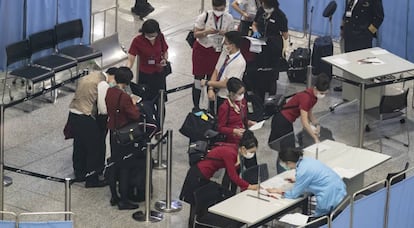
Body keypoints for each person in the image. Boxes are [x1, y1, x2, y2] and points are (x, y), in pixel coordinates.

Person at [180, 130, 259, 227]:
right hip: (198, 175)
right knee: (195, 203)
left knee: (201, 205)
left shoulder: (235, 149)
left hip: (203, 175)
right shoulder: (231, 154)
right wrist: (249, 186)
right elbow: (233, 176)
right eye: (251, 152)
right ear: (243, 148)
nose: (252, 154)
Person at [268, 73, 330, 173]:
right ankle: (282, 175)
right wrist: (315, 138)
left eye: (324, 93)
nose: (322, 95)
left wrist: (317, 124)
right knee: (286, 152)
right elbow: (304, 122)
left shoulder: (313, 96)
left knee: (288, 150)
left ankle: (286, 172)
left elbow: (309, 114)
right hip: (282, 121)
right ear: (315, 88)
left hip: (287, 121)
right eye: (321, 92)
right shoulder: (306, 98)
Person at [266, 147, 347, 218]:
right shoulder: (307, 160)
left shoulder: (302, 171)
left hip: (329, 196)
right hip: (338, 188)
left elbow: (294, 194)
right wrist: (298, 180)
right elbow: (313, 175)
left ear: (288, 162)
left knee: (318, 221)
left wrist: (279, 191)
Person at [105, 67, 141, 210]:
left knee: (114, 164)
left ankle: (114, 196)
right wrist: (134, 105)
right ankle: (124, 200)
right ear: (127, 81)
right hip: (124, 134)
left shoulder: (109, 91)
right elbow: (134, 115)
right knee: (125, 167)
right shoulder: (124, 96)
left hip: (112, 132)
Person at [68, 68, 108, 188]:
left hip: (73, 113)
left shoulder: (87, 77)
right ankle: (92, 179)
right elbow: (103, 108)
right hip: (86, 116)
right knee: (93, 148)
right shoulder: (103, 83)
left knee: (79, 144)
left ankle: (79, 173)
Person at [191, 0, 234, 110]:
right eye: (216, 9)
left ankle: (211, 108)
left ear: (225, 6)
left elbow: (232, 37)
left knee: (213, 80)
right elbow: (196, 33)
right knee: (198, 80)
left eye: (221, 9)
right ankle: (196, 107)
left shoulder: (229, 18)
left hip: (217, 52)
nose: (218, 12)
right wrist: (206, 32)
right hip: (201, 51)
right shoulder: (204, 16)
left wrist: (226, 34)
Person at [335, 0, 384, 91]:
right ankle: (347, 86)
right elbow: (347, 12)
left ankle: (362, 87)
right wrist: (342, 28)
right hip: (349, 34)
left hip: (362, 38)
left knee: (362, 64)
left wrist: (368, 33)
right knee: (348, 62)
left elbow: (379, 18)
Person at [250, 0, 288, 101]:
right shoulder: (261, 11)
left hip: (273, 47)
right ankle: (258, 96)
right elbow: (254, 24)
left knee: (271, 73)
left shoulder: (280, 15)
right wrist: (256, 31)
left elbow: (285, 35)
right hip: (260, 45)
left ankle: (271, 98)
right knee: (259, 71)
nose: (262, 5)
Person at [200, 31, 246, 109]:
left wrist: (207, 83)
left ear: (232, 45)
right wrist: (211, 88)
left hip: (226, 97)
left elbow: (226, 84)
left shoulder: (239, 62)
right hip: (215, 91)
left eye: (226, 42)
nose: (224, 44)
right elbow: (216, 70)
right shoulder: (225, 52)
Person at [127, 19, 168, 102]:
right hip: (145, 75)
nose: (151, 37)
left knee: (160, 100)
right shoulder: (137, 41)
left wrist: (164, 59)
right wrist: (126, 71)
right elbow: (131, 59)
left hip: (159, 73)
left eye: (153, 35)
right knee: (146, 100)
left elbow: (165, 51)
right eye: (148, 35)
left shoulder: (160, 37)